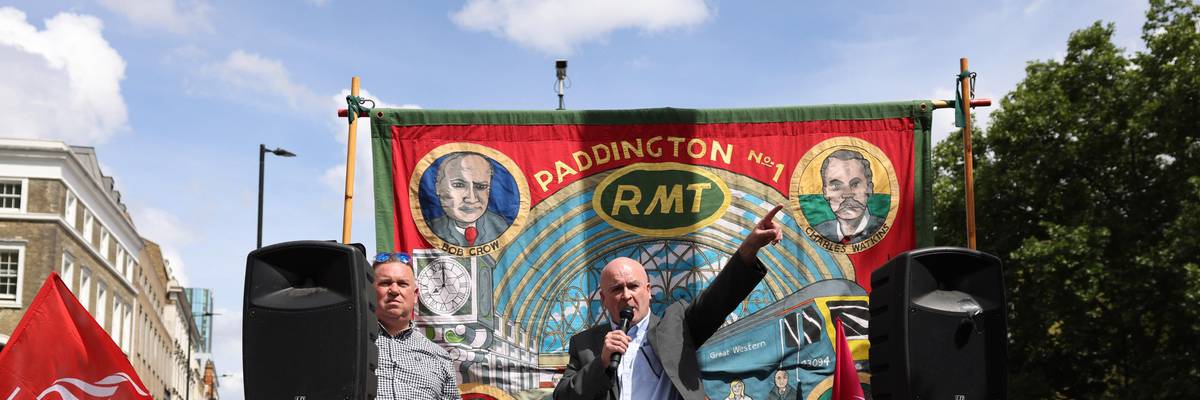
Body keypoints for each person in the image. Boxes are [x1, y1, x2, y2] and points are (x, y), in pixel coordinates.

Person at [553, 205, 785, 400]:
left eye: (633, 286)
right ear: (603, 299)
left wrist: (749, 248)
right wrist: (602, 362)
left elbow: (718, 299)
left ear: (648, 291)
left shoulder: (676, 328)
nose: (626, 295)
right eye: (616, 289)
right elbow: (563, 396)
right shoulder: (585, 344)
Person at [372, 252, 461, 400]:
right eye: (385, 283)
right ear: (369, 291)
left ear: (415, 295)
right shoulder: (348, 345)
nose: (394, 290)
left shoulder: (440, 357)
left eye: (402, 284)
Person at [428, 152, 511, 247]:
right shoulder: (430, 230)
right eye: (458, 185)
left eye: (481, 186)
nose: (471, 199)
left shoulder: (501, 227)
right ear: (438, 188)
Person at [813, 149, 884, 245]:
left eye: (855, 184)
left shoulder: (885, 229)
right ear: (825, 192)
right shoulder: (816, 233)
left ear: (869, 188)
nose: (847, 194)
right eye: (836, 186)